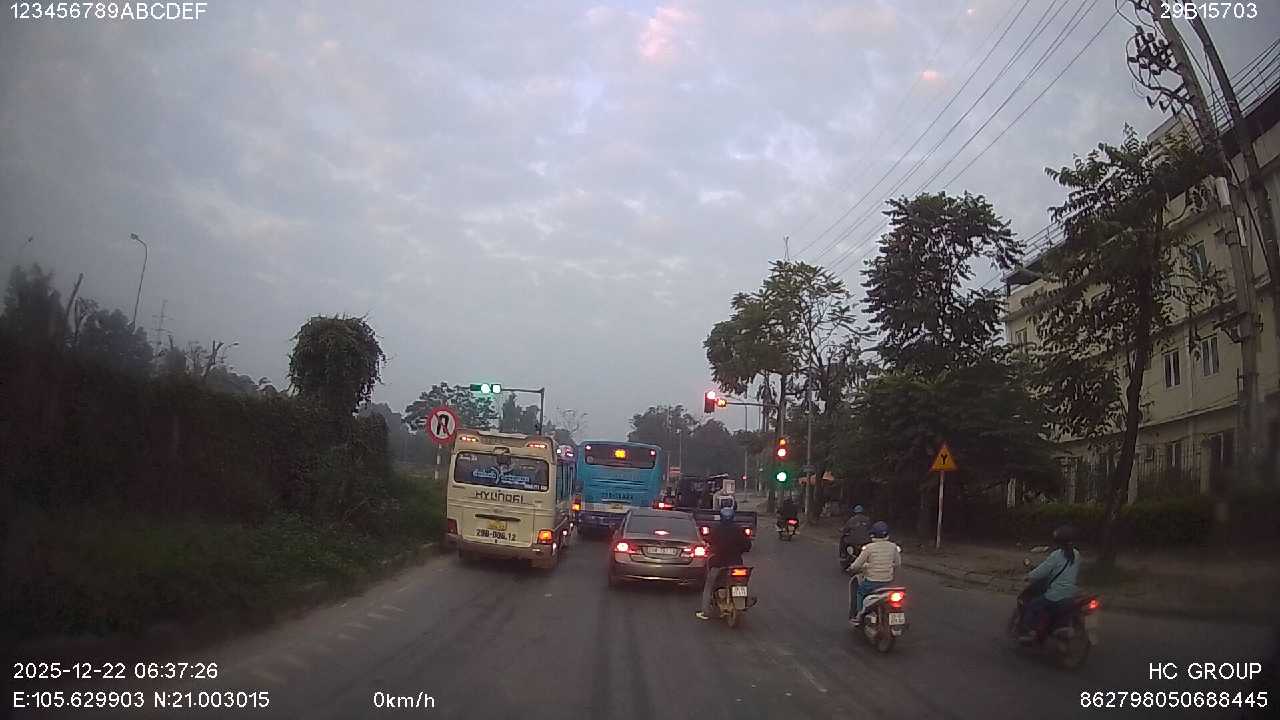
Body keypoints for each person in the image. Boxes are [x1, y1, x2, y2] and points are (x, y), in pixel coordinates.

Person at [1019, 525, 1080, 642]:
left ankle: (1030, 633)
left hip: (1056, 595)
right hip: (1071, 594)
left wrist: (1028, 576)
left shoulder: (1057, 555)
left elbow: (1042, 570)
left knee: (1032, 605)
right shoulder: (1076, 554)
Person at [696, 505, 751, 621]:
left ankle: (705, 612)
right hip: (736, 563)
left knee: (709, 586)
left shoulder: (716, 529)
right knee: (741, 582)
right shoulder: (739, 530)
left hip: (718, 563)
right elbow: (747, 546)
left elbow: (708, 541)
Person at [845, 520, 901, 626]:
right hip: (888, 582)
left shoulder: (869, 548)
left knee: (860, 592)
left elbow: (857, 565)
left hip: (872, 582)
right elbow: (897, 563)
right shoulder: (893, 547)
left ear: (873, 534)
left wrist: (851, 568)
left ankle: (859, 614)